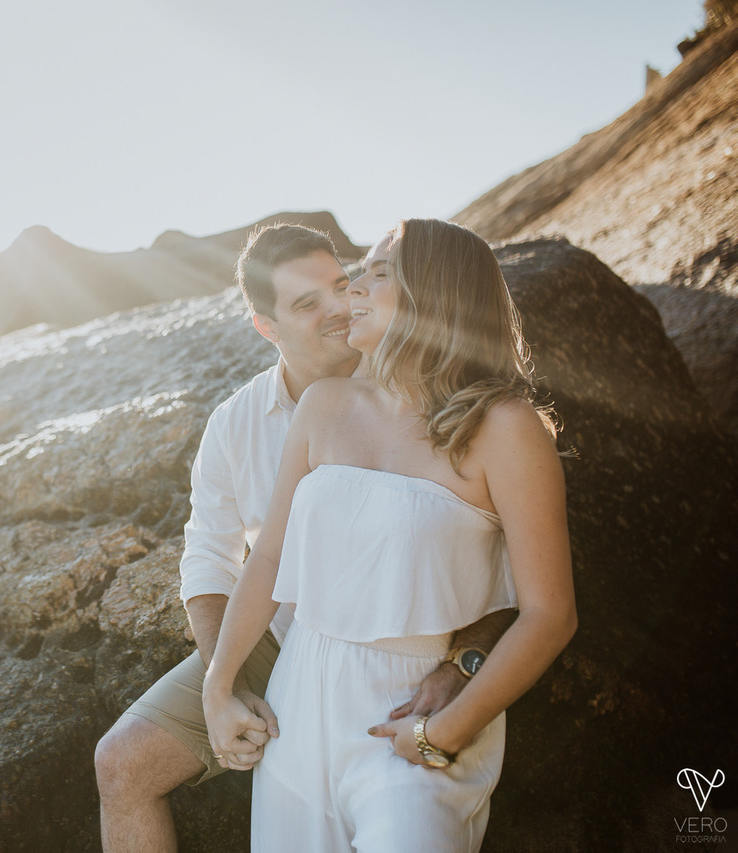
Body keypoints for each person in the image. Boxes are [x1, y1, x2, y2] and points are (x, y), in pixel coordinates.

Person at [94, 224, 517, 852]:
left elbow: (501, 556)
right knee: (121, 761)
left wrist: (464, 663)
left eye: (341, 285)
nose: (340, 308)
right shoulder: (237, 422)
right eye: (306, 303)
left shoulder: (429, 384)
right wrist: (224, 681)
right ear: (267, 327)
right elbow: (214, 557)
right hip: (276, 637)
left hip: (411, 644)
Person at [202, 218, 578, 851]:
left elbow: (550, 614)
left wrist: (448, 731)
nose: (354, 290)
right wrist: (218, 687)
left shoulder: (506, 428)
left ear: (434, 297)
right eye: (361, 273)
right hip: (299, 702)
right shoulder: (325, 404)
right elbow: (267, 558)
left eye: (379, 274)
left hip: (413, 717)